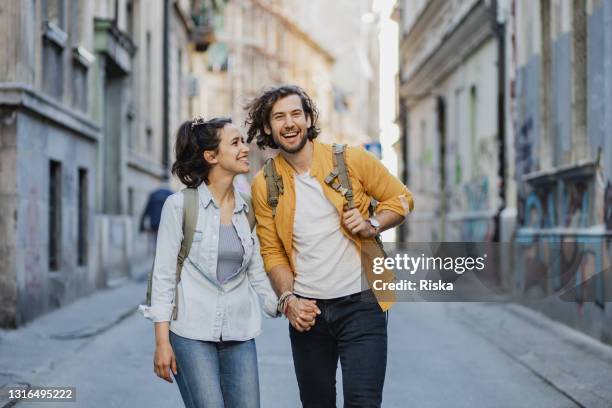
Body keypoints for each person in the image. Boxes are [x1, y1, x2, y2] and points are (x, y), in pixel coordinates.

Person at [246, 85, 414, 408]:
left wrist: (372, 224)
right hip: (309, 313)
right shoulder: (264, 184)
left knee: (363, 402)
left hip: (362, 304)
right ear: (268, 127)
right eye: (279, 117)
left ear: (308, 119)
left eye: (296, 113)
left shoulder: (350, 159)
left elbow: (402, 198)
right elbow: (272, 252)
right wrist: (288, 299)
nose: (289, 123)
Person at [139, 118, 278, 408]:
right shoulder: (180, 206)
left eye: (243, 141)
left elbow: (256, 270)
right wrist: (162, 343)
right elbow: (163, 277)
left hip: (240, 333)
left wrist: (283, 304)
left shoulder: (248, 207)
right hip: (191, 333)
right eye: (235, 143)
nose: (244, 149)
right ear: (211, 156)